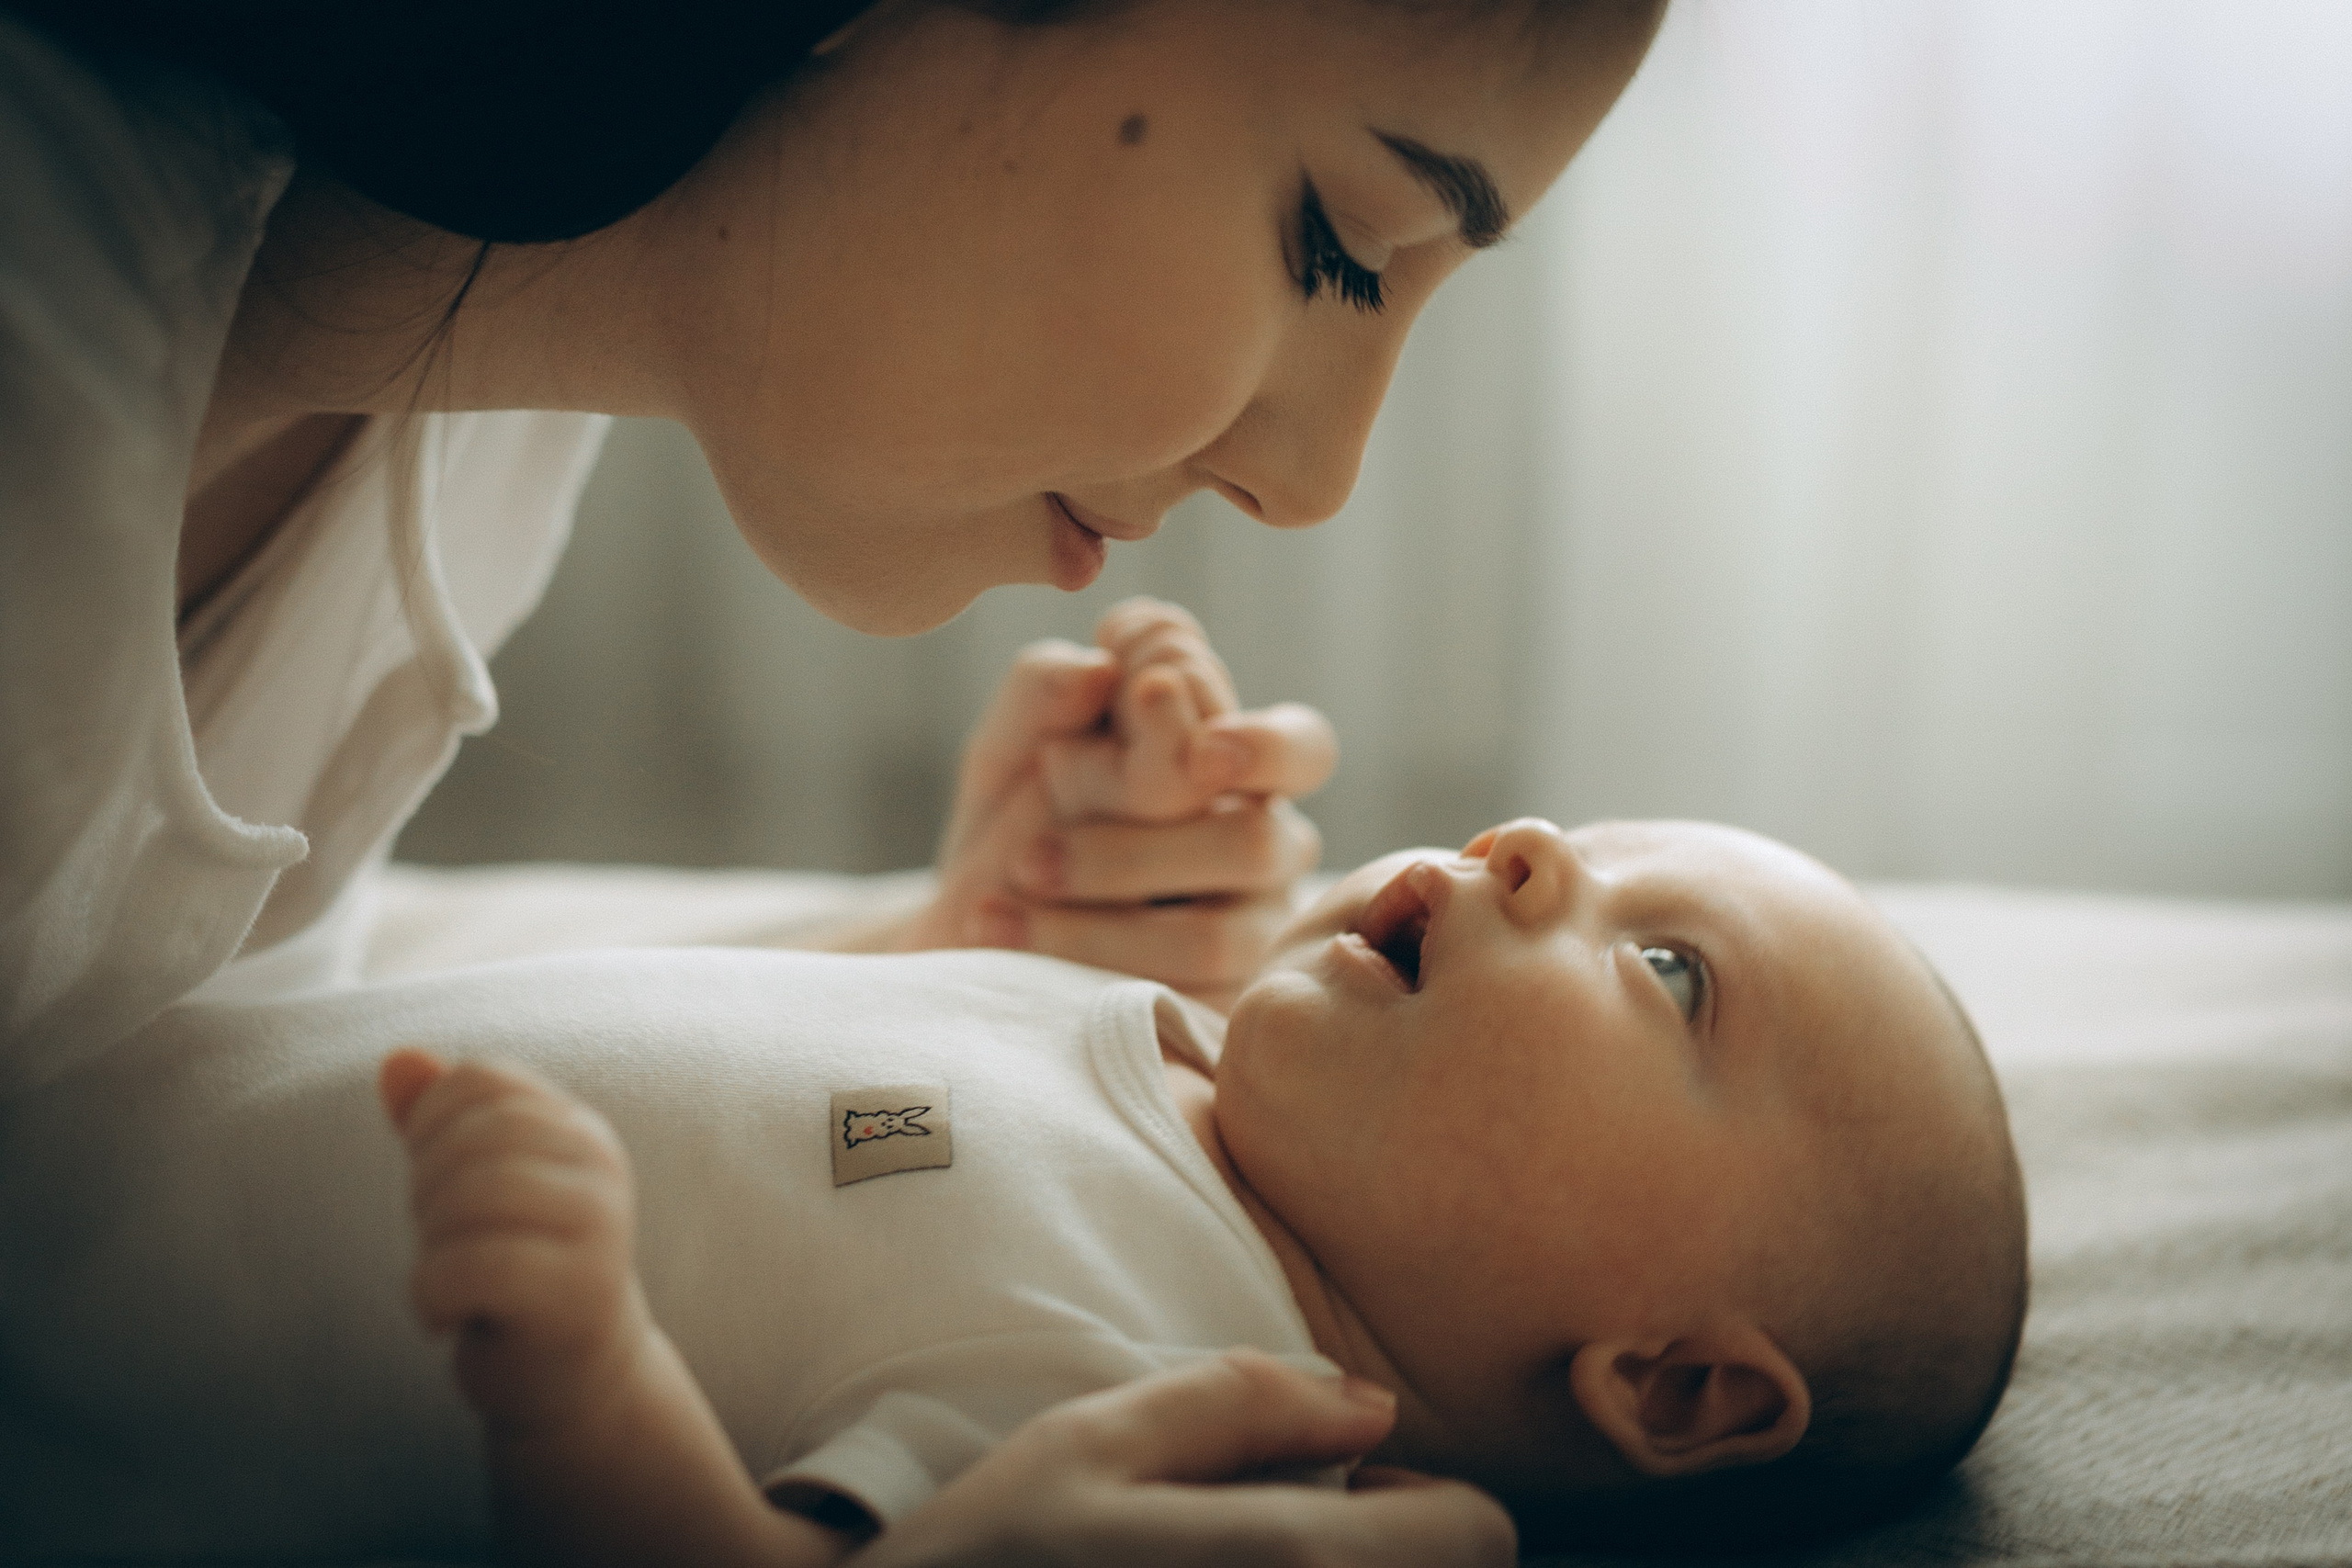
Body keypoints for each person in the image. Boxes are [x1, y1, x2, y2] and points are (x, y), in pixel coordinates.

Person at [2, 0, 1665, 1558]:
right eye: (1339, 244)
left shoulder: (473, 443)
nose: (1316, 482)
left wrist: (920, 973)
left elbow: (160, 1059)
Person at [0, 615, 2028, 1562]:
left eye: (1665, 969)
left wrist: (584, 1371)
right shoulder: (1160, 1071)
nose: (1522, 845)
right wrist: (981, 915)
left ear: (1670, 1382)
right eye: (1585, 825)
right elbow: (779, 1087)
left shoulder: (1175, 1378)